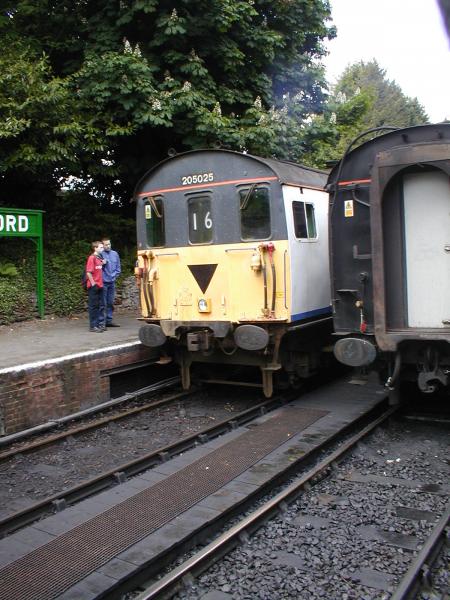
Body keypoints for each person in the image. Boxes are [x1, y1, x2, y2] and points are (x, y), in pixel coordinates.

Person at [99, 238, 121, 328]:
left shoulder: (115, 254)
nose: (108, 246)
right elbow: (97, 268)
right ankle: (102, 322)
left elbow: (118, 268)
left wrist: (114, 276)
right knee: (102, 303)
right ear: (103, 245)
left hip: (112, 282)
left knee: (110, 302)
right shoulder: (100, 254)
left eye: (109, 244)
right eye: (106, 245)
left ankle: (109, 320)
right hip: (103, 282)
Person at [85, 241, 105, 332]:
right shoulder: (91, 258)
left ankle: (98, 325)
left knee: (99, 305)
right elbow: (88, 272)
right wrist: (93, 283)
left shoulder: (99, 258)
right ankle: (93, 326)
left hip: (100, 285)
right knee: (93, 306)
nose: (102, 249)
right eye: (100, 247)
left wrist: (103, 262)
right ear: (95, 248)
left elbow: (99, 267)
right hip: (94, 286)